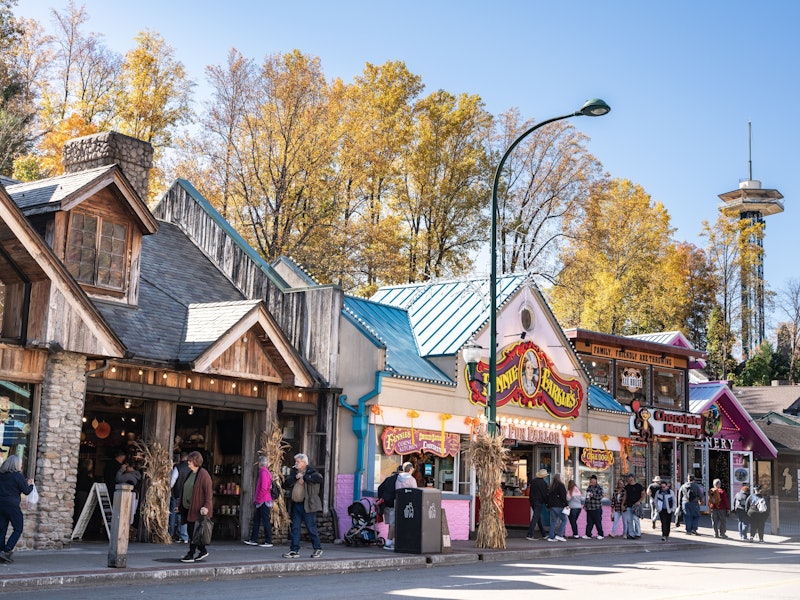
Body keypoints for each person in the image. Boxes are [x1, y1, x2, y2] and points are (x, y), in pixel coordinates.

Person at [282, 453, 324, 559]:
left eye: (298, 462)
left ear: (304, 462)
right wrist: (295, 477)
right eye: (295, 461)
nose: (296, 463)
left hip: (308, 505)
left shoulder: (311, 471)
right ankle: (294, 550)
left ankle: (317, 548)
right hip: (297, 505)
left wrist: (304, 477)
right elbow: (286, 483)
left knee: (311, 528)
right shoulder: (294, 472)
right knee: (295, 527)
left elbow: (319, 478)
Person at [180, 451, 213, 563]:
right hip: (188, 508)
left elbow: (209, 494)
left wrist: (206, 507)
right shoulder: (190, 473)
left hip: (198, 509)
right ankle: (203, 550)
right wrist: (178, 505)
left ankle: (190, 554)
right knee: (192, 532)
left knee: (193, 532)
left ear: (196, 462)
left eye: (190, 461)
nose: (188, 463)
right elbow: (185, 489)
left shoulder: (204, 474)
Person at [0, 455, 34, 563]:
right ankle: (7, 550)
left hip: (1, 504)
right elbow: (26, 491)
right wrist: (31, 485)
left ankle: (0, 551)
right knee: (18, 528)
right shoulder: (17, 476)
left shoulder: (1, 475)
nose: (21, 465)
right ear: (16, 464)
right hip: (12, 506)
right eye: (20, 463)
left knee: (1, 530)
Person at [244, 456, 274, 547]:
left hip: (263, 500)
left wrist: (258, 498)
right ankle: (254, 539)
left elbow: (264, 488)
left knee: (265, 520)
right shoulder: (267, 472)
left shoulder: (263, 472)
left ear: (260, 463)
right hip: (264, 499)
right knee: (257, 519)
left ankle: (268, 541)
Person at [377, 465, 401, 550]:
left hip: (385, 504)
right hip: (393, 504)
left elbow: (380, 488)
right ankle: (388, 543)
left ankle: (393, 542)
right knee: (393, 524)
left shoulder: (388, 479)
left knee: (391, 524)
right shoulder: (400, 480)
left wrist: (381, 498)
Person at [169, 452, 190, 543]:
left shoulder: (178, 468)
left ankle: (171, 534)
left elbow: (172, 481)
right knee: (184, 514)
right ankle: (184, 536)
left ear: (180, 458)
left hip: (177, 494)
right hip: (188, 494)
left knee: (174, 514)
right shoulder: (191, 468)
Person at [526, 469, 549, 540]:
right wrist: (547, 503)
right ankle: (530, 534)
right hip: (539, 501)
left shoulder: (533, 481)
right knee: (535, 517)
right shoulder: (544, 483)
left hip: (533, 501)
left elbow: (530, 492)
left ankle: (543, 533)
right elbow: (544, 494)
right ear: (544, 476)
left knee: (537, 517)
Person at [546, 473, 568, 542]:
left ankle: (551, 536)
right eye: (562, 477)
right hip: (559, 505)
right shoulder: (561, 485)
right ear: (560, 478)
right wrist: (566, 504)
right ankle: (559, 535)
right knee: (564, 520)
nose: (563, 478)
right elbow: (563, 496)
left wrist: (548, 505)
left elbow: (548, 497)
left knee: (553, 521)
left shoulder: (551, 486)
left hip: (552, 506)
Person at [623, 473, 644, 539]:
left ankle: (638, 533)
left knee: (636, 519)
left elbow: (643, 494)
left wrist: (639, 501)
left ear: (633, 478)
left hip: (636, 505)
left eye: (630, 477)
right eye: (628, 477)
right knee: (629, 520)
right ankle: (631, 533)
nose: (629, 479)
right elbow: (625, 495)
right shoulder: (627, 487)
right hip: (629, 505)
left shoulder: (639, 486)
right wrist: (623, 504)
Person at [584, 474, 604, 539]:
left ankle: (600, 534)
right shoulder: (589, 488)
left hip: (596, 508)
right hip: (589, 508)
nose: (590, 481)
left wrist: (593, 495)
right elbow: (587, 497)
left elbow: (600, 496)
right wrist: (585, 505)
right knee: (589, 522)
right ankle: (588, 534)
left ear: (595, 480)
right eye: (590, 480)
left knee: (598, 522)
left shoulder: (599, 487)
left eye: (591, 479)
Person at [74, 458, 94, 523]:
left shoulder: (79, 472)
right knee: (82, 509)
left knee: (78, 508)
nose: (92, 466)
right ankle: (79, 523)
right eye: (91, 464)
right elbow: (87, 484)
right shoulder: (87, 473)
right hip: (84, 492)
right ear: (88, 465)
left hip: (79, 492)